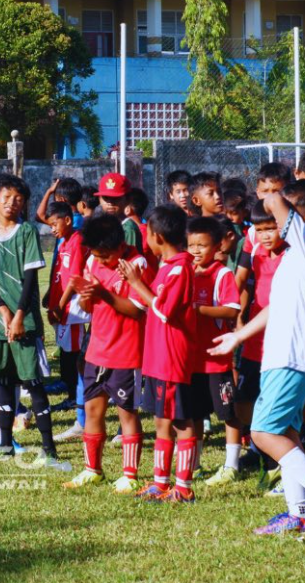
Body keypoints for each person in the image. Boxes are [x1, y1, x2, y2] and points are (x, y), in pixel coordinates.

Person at [210, 179, 305, 542]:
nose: (272, 225)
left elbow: (274, 198)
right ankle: (299, 513)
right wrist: (239, 336)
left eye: (280, 218)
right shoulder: (294, 256)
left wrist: (275, 194)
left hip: (292, 356)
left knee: (262, 432)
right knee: (286, 433)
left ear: (304, 220)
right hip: (282, 355)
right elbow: (274, 307)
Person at [0, 174, 61, 468]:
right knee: (4, 383)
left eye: (18, 199)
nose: (12, 203)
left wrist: (19, 315)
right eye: (6, 197)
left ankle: (49, 449)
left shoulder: (27, 232)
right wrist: (2, 311)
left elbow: (31, 279)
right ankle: (5, 443)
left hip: (24, 323)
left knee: (33, 384)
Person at [62, 213, 154, 493]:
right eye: (96, 255)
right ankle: (93, 470)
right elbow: (89, 308)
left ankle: (130, 474)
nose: (100, 261)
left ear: (120, 245)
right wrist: (87, 297)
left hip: (126, 352)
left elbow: (138, 310)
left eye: (105, 256)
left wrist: (102, 294)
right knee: (93, 410)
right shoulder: (92, 261)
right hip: (96, 349)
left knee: (127, 413)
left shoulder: (137, 264)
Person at [119, 204, 200, 503]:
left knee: (181, 422)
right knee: (162, 421)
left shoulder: (180, 268)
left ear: (157, 236)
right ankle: (160, 483)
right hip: (156, 358)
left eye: (147, 234)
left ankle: (184, 487)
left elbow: (165, 310)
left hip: (171, 358)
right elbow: (150, 303)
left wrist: (136, 283)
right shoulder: (167, 266)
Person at [235, 200, 288, 492]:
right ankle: (258, 448)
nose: (265, 235)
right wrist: (238, 315)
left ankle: (281, 460)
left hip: (280, 337)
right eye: (260, 229)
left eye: (271, 228)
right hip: (255, 334)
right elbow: (243, 282)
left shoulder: (293, 255)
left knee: (276, 403)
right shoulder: (254, 247)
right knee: (244, 398)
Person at [185, 216, 242, 487]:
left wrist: (199, 310)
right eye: (191, 245)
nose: (196, 251)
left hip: (216, 358)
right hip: (191, 358)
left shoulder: (222, 274)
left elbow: (231, 310)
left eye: (202, 245)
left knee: (228, 412)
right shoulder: (186, 271)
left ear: (217, 246)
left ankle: (232, 464)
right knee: (195, 413)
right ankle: (194, 463)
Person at [45, 201, 89, 413]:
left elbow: (75, 278)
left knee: (74, 353)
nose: (52, 229)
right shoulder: (64, 242)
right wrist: (50, 298)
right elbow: (60, 275)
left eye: (55, 224)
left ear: (68, 220)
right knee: (66, 350)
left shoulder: (77, 241)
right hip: (62, 307)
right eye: (50, 226)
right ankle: (73, 393)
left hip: (72, 309)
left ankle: (76, 397)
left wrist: (60, 306)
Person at [95, 173, 142, 254]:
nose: (110, 203)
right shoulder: (102, 225)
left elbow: (131, 259)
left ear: (128, 199)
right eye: (105, 198)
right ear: (99, 199)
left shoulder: (128, 229)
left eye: (115, 198)